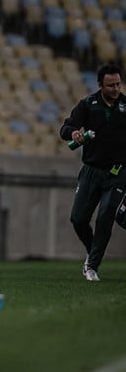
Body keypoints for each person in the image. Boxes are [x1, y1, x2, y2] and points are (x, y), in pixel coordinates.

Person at [60, 63, 126, 282]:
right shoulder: (88, 105)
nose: (116, 89)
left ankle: (92, 266)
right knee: (78, 219)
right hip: (90, 171)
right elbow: (65, 130)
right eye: (111, 85)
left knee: (106, 214)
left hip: (117, 173)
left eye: (118, 84)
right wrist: (74, 134)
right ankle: (93, 252)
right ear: (100, 85)